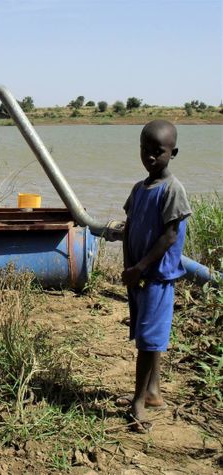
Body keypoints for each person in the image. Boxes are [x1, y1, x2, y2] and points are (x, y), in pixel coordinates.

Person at [121, 119, 192, 433]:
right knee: (149, 337)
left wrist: (141, 267)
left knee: (148, 343)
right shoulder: (139, 189)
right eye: (145, 150)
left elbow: (170, 237)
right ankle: (153, 392)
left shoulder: (173, 190)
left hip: (157, 277)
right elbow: (129, 230)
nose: (150, 157)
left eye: (158, 152)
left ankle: (138, 402)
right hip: (139, 276)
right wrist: (129, 268)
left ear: (172, 153)